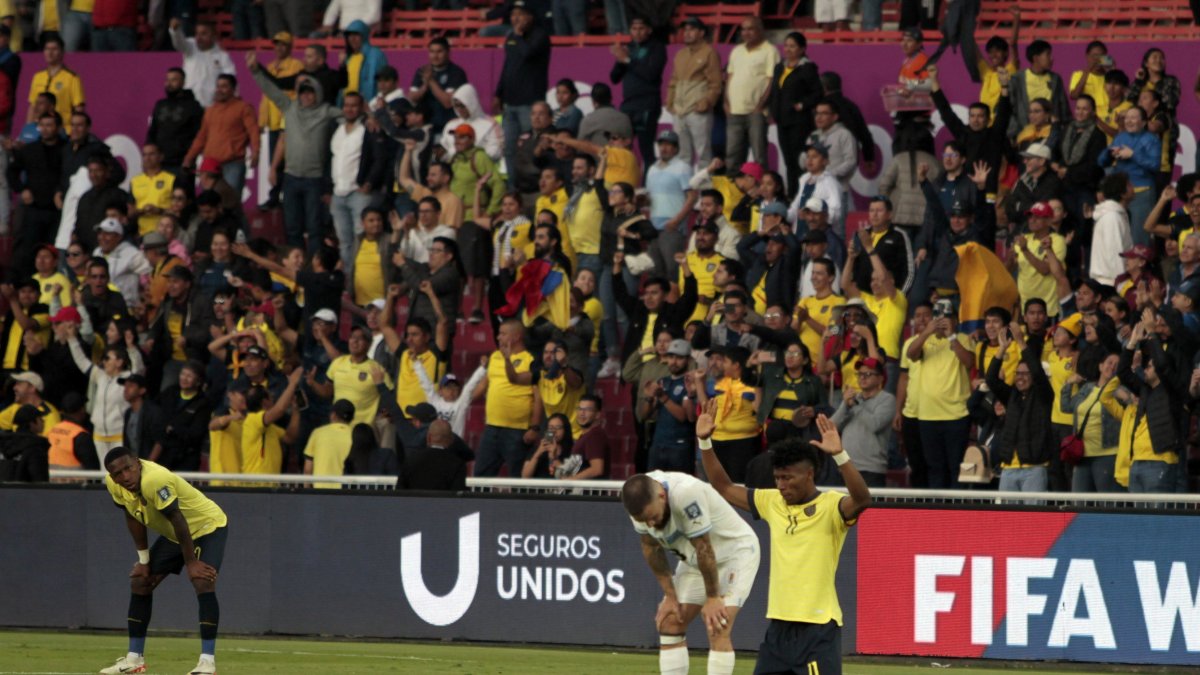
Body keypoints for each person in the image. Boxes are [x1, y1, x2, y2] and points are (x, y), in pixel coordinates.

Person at [699, 403, 870, 675]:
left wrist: (840, 456)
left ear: (809, 474)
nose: (781, 485)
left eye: (788, 478)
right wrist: (705, 442)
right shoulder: (772, 502)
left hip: (818, 629)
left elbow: (862, 499)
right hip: (778, 628)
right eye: (778, 478)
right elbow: (724, 487)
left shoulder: (831, 507)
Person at [99, 446, 227, 675]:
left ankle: (207, 664)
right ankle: (134, 660)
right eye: (118, 474)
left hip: (207, 526)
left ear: (137, 463)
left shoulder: (155, 480)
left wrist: (191, 563)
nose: (125, 477)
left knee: (202, 581)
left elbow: (178, 519)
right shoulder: (114, 486)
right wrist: (144, 560)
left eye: (128, 468)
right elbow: (132, 515)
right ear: (111, 476)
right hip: (175, 535)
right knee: (140, 581)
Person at [621, 468, 761, 675]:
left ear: (662, 496)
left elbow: (704, 547)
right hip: (696, 560)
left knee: (717, 625)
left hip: (735, 553)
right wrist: (670, 595)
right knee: (670, 621)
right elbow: (650, 547)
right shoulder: (640, 505)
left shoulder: (686, 493)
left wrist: (713, 597)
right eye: (644, 521)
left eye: (652, 517)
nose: (650, 524)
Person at [248, 54, 342, 254]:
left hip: (314, 180)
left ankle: (315, 264)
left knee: (315, 228)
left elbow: (350, 115)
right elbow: (271, 90)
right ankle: (296, 265)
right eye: (303, 93)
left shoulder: (327, 111)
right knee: (292, 226)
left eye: (310, 93)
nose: (306, 96)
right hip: (291, 178)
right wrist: (256, 71)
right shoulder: (289, 108)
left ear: (317, 93)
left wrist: (370, 116)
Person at [905, 299, 973, 488]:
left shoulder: (963, 339)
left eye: (947, 318)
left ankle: (957, 514)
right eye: (938, 318)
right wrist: (927, 331)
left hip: (957, 415)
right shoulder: (925, 341)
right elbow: (911, 354)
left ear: (955, 320)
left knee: (955, 467)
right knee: (935, 467)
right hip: (928, 415)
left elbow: (969, 362)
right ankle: (938, 514)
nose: (942, 322)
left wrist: (951, 336)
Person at [493, 1, 550, 190]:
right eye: (513, 14)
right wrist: (498, 93)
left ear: (530, 16)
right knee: (509, 149)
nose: (515, 18)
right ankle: (513, 188)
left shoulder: (540, 36)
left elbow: (527, 54)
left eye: (520, 14)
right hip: (510, 104)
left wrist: (518, 36)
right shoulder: (511, 36)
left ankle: (535, 185)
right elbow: (508, 67)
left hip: (530, 104)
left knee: (532, 147)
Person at [474, 319, 542, 477]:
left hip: (517, 431)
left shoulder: (530, 360)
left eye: (503, 334)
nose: (498, 337)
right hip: (491, 428)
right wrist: (461, 401)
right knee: (480, 478)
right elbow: (483, 385)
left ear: (516, 336)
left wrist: (535, 427)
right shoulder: (495, 356)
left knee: (517, 480)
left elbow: (539, 398)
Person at [182, 74, 259, 196]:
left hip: (233, 163)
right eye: (218, 86)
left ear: (233, 89)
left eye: (224, 86)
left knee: (230, 203)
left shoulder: (243, 108)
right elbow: (201, 137)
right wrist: (189, 157)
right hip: (210, 164)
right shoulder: (210, 110)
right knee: (208, 203)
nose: (219, 90)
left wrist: (256, 152)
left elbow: (253, 130)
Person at [609, 16, 666, 170]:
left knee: (646, 151)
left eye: (641, 28)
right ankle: (623, 187)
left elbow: (651, 74)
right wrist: (620, 61)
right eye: (634, 29)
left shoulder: (657, 47)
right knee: (620, 149)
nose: (637, 32)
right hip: (628, 106)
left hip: (647, 105)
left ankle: (647, 189)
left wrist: (627, 60)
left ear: (649, 30)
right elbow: (614, 78)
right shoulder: (629, 48)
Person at [769, 32, 821, 198]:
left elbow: (817, 93)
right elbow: (775, 91)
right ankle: (792, 194)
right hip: (782, 121)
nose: (788, 49)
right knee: (788, 161)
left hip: (799, 121)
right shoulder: (780, 67)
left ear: (802, 49)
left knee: (800, 160)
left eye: (792, 46)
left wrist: (803, 104)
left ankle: (802, 193)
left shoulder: (807, 68)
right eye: (786, 46)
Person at [830, 356, 894, 487]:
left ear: (881, 378)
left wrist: (855, 405)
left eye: (868, 374)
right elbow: (831, 427)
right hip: (845, 467)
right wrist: (845, 405)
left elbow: (875, 424)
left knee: (871, 508)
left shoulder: (887, 400)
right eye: (860, 374)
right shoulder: (853, 400)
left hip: (871, 469)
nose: (862, 378)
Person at [666, 17, 721, 167]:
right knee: (682, 154)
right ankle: (686, 189)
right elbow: (674, 80)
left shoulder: (709, 53)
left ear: (701, 33)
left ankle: (704, 189)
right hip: (680, 109)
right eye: (685, 30)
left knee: (703, 153)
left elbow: (716, 83)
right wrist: (669, 101)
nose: (687, 33)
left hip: (698, 109)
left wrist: (707, 101)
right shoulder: (680, 54)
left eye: (692, 29)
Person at [724, 17, 777, 168]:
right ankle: (733, 191)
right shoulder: (736, 51)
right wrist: (726, 102)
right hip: (734, 111)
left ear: (760, 30)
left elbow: (772, 81)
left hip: (756, 112)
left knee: (759, 155)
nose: (746, 33)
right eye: (743, 29)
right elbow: (729, 78)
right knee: (732, 155)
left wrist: (760, 106)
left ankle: (762, 191)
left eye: (750, 29)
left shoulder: (770, 51)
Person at [146, 68, 204, 183]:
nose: (169, 83)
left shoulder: (193, 106)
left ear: (183, 82)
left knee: (182, 198)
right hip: (160, 163)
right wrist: (150, 156)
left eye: (174, 80)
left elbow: (199, 135)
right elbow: (153, 131)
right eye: (167, 80)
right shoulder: (160, 105)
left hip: (182, 164)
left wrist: (189, 157)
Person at [407, 37, 468, 135]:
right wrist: (424, 86)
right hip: (425, 128)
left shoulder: (456, 73)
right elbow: (412, 98)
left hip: (446, 127)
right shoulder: (422, 71)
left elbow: (448, 102)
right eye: (432, 52)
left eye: (439, 52)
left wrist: (431, 81)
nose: (435, 56)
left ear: (448, 52)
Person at [169, 19, 235, 108]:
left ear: (214, 36)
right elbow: (179, 43)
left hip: (212, 105)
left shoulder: (223, 56)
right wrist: (176, 31)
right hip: (188, 103)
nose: (199, 38)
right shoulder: (190, 47)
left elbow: (231, 80)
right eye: (197, 34)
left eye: (204, 34)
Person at [26, 36, 83, 126]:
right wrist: (28, 127)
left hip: (62, 129)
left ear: (62, 52)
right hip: (39, 130)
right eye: (47, 49)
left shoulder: (72, 78)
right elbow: (32, 106)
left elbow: (78, 108)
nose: (50, 53)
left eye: (54, 49)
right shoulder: (38, 77)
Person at [1090, 173, 1135, 287]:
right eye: (1129, 185)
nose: (1133, 187)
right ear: (1122, 194)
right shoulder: (1112, 217)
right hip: (1110, 284)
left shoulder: (1117, 215)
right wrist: (1123, 285)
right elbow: (1115, 254)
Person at [398, 419, 468, 491]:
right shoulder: (457, 464)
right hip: (443, 502)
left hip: (412, 502)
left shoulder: (411, 460)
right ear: (451, 440)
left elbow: (400, 491)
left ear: (428, 438)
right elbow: (457, 496)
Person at [302, 399, 355, 489]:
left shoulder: (318, 433)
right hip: (346, 492)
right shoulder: (355, 435)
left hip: (321, 490)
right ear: (352, 418)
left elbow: (308, 468)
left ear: (333, 415)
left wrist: (306, 490)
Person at [130, 145, 175, 237]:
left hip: (166, 234)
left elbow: (178, 209)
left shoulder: (171, 179)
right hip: (142, 234)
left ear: (161, 157)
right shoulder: (135, 181)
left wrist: (159, 210)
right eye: (145, 155)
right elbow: (129, 211)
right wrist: (141, 211)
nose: (147, 158)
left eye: (151, 154)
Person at [570, 395, 610, 479]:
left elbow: (597, 469)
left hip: (589, 491)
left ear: (597, 415)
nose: (582, 413)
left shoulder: (595, 435)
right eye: (580, 409)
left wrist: (570, 481)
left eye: (587, 410)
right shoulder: (587, 435)